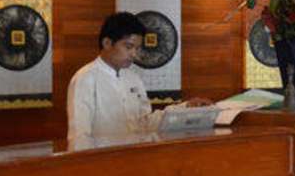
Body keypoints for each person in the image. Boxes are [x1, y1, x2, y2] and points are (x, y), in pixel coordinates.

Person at [67, 12, 207, 145]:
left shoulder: (134, 78)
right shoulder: (85, 78)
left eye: (137, 48)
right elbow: (79, 136)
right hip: (103, 158)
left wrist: (186, 108)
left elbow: (145, 123)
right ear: (107, 43)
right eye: (129, 47)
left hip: (135, 155)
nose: (134, 54)